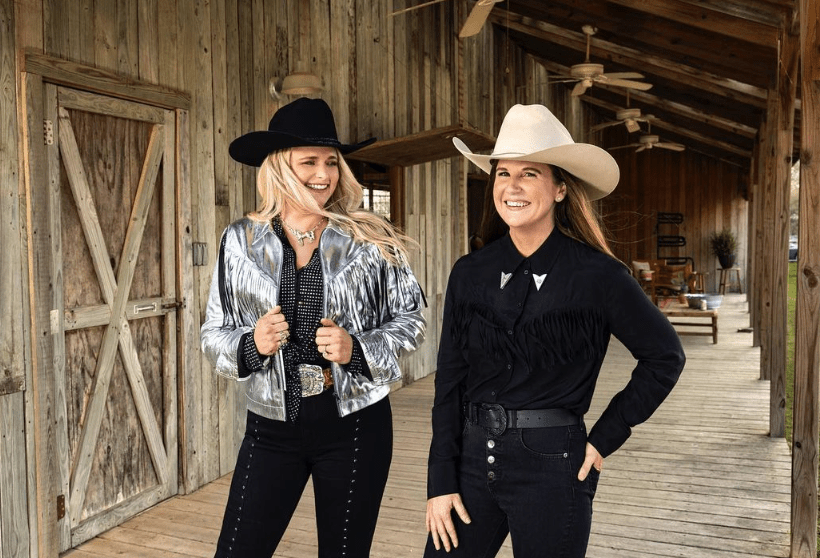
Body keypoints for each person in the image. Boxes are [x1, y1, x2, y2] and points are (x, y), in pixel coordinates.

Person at [424, 104, 685, 557]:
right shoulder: (470, 272)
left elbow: (665, 357)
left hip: (553, 467)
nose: (512, 186)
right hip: (470, 461)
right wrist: (440, 480)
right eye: (503, 173)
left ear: (561, 188)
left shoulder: (599, 276)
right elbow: (450, 380)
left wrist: (606, 435)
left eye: (529, 174)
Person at [201, 97, 426, 558]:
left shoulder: (371, 238)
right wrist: (251, 344)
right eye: (309, 162)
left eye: (331, 162)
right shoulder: (239, 240)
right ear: (280, 167)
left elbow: (412, 321)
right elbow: (213, 331)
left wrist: (356, 348)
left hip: (356, 425)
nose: (324, 174)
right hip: (270, 428)